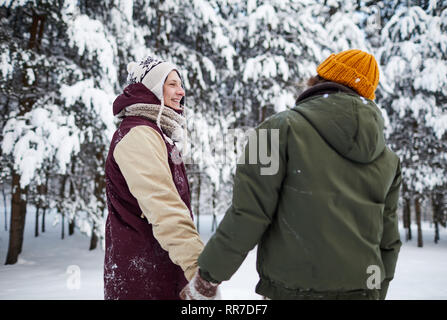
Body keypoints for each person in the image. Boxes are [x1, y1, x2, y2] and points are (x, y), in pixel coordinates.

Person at [180, 49, 402, 300]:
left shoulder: (275, 131)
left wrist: (207, 278)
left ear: (318, 79)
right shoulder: (388, 159)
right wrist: (375, 292)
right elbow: (388, 242)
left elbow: (249, 214)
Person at [104, 55, 204, 300]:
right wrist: (200, 269)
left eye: (180, 84)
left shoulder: (154, 133)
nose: (181, 91)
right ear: (150, 89)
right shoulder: (139, 135)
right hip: (144, 281)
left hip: (158, 274)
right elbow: (163, 207)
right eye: (171, 84)